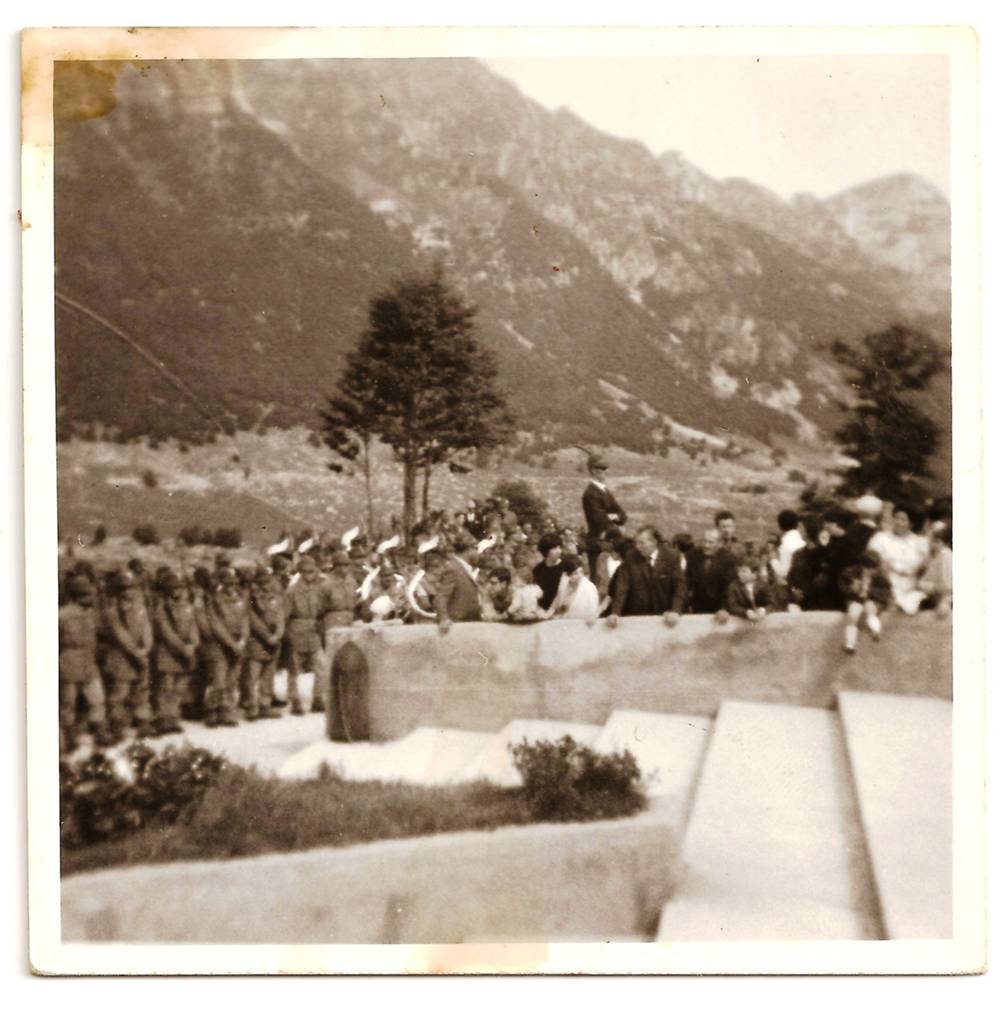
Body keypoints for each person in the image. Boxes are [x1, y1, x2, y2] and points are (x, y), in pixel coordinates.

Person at [59, 575, 112, 751]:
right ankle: (67, 738)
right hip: (69, 662)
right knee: (69, 703)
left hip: (89, 663)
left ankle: (100, 733)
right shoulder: (62, 616)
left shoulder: (91, 614)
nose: (92, 599)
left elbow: (101, 635)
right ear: (77, 596)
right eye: (88, 595)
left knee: (97, 700)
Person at [101, 569, 155, 739]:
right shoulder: (111, 611)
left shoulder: (140, 607)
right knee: (120, 692)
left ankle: (142, 720)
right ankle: (118, 724)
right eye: (124, 588)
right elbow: (120, 635)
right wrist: (137, 654)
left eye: (131, 587)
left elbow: (147, 629)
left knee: (141, 690)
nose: (128, 591)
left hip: (140, 654)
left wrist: (146, 648)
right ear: (117, 591)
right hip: (121, 657)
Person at [283, 554, 336, 713]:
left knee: (321, 667)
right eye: (306, 572)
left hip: (314, 632)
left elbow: (323, 609)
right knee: (294, 669)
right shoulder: (291, 592)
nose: (309, 575)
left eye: (312, 571)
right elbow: (285, 616)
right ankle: (295, 701)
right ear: (300, 572)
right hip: (296, 631)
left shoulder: (318, 590)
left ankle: (318, 699)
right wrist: (287, 636)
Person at [151, 570, 200, 735]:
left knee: (179, 689)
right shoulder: (161, 609)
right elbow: (167, 633)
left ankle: (173, 718)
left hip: (185, 653)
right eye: (173, 588)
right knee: (167, 688)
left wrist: (193, 645)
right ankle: (163, 719)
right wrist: (184, 648)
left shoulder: (187, 607)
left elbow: (194, 628)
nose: (177, 591)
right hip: (168, 653)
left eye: (179, 588)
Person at [607, 525, 685, 626]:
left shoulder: (671, 556)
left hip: (665, 615)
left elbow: (679, 585)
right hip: (638, 615)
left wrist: (675, 610)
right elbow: (622, 586)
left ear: (654, 542)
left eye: (642, 543)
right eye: (636, 543)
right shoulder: (630, 557)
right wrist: (615, 613)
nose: (638, 547)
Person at [203, 567, 249, 727]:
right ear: (222, 583)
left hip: (237, 644)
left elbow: (245, 621)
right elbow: (216, 625)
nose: (232, 586)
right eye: (228, 583)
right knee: (218, 680)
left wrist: (243, 640)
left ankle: (227, 711)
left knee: (232, 680)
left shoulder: (240, 599)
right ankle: (212, 711)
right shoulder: (214, 600)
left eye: (234, 583)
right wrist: (232, 644)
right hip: (220, 646)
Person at [868, 505, 931, 615]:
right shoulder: (880, 538)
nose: (898, 522)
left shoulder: (920, 542)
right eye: (896, 518)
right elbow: (872, 561)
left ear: (911, 523)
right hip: (885, 584)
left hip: (911, 586)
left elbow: (923, 568)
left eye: (903, 519)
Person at [244, 569, 285, 720]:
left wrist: (278, 634)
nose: (266, 586)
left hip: (274, 642)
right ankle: (252, 706)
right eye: (262, 583)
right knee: (252, 676)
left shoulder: (276, 597)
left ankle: (265, 704)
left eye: (267, 582)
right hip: (258, 642)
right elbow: (252, 620)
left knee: (268, 675)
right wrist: (267, 637)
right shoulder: (251, 599)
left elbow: (280, 617)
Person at [581, 452, 628, 578]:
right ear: (593, 470)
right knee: (599, 580)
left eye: (605, 468)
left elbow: (623, 516)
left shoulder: (605, 491)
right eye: (601, 468)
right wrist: (613, 516)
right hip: (597, 544)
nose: (605, 471)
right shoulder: (590, 494)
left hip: (608, 543)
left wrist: (611, 516)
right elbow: (600, 520)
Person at [838, 552, 892, 653]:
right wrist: (852, 589)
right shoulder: (850, 573)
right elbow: (842, 587)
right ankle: (850, 643)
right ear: (862, 566)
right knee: (853, 615)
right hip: (856, 599)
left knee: (870, 610)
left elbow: (885, 592)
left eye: (873, 569)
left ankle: (876, 631)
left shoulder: (880, 577)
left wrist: (870, 591)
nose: (870, 571)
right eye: (867, 568)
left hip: (871, 600)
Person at [434, 531, 482, 632]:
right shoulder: (453, 568)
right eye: (476, 549)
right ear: (469, 550)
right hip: (457, 625)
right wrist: (443, 619)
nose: (479, 554)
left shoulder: (462, 567)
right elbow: (441, 596)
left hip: (467, 623)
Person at [685, 528, 736, 615]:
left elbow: (730, 587)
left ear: (720, 544)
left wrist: (724, 609)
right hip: (697, 607)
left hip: (720, 608)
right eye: (704, 541)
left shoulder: (729, 559)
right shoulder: (693, 555)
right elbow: (686, 581)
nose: (706, 545)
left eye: (710, 542)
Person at [550, 555, 601, 620]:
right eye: (575, 573)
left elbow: (592, 611)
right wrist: (551, 612)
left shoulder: (589, 587)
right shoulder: (564, 582)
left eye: (581, 572)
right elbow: (558, 600)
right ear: (567, 574)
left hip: (581, 624)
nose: (579, 576)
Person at [532, 532, 570, 612]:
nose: (559, 551)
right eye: (554, 548)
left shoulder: (567, 566)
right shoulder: (538, 569)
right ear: (546, 551)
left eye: (560, 548)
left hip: (562, 609)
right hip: (542, 610)